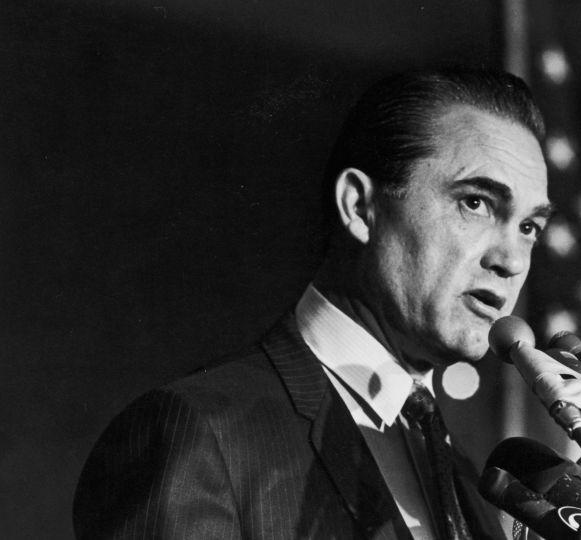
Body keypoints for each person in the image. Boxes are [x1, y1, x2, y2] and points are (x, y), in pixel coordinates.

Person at [73, 68, 553, 539]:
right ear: (360, 207)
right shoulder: (200, 433)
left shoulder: (470, 483)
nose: (511, 259)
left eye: (529, 227)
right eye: (475, 203)